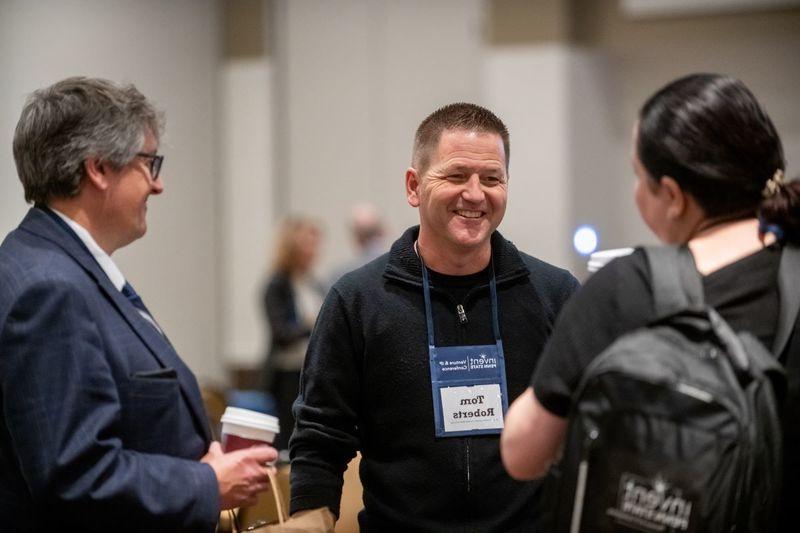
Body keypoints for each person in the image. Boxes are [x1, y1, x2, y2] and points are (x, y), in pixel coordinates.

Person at [500, 73, 800, 531]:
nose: (636, 191)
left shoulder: (629, 287)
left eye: (639, 177)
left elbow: (522, 453)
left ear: (674, 197)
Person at [0, 77, 276, 532]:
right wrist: (205, 483)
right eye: (149, 163)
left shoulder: (55, 266)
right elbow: (76, 477)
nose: (159, 184)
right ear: (99, 169)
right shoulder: (50, 289)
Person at [290, 103, 580, 531]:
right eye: (457, 175)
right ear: (413, 186)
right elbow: (319, 439)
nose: (476, 194)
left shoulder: (554, 294)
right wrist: (309, 521)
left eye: (492, 178)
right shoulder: (357, 301)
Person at [262, 216, 325, 452]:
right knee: (289, 440)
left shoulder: (314, 282)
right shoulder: (276, 284)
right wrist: (312, 324)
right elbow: (281, 334)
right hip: (287, 375)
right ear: (292, 247)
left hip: (311, 370)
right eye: (307, 244)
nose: (313, 250)